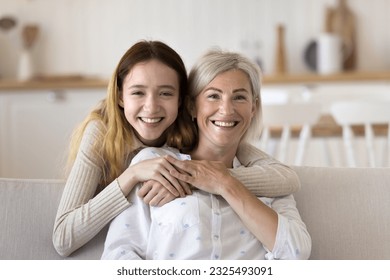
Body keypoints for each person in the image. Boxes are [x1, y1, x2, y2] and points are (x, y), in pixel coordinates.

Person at [53, 40, 300, 257]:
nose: (151, 107)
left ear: (182, 101)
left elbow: (285, 178)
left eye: (165, 93)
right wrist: (133, 175)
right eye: (138, 92)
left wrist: (205, 178)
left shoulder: (187, 131)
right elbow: (64, 238)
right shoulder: (102, 133)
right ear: (119, 96)